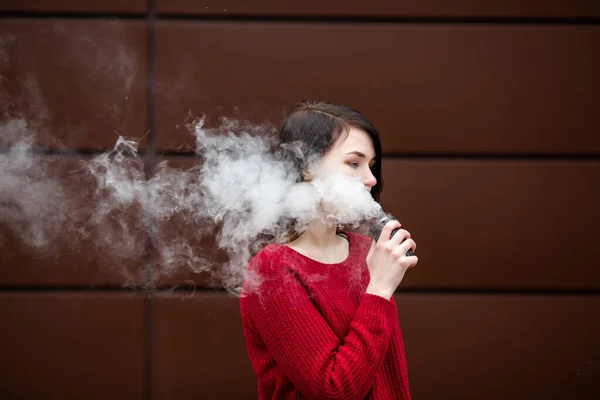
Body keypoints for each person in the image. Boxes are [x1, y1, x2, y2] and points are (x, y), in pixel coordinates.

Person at [240, 101, 418, 400]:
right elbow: (334, 390)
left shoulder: (366, 252)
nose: (371, 180)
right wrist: (379, 289)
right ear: (306, 167)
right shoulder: (273, 269)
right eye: (354, 163)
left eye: (371, 166)